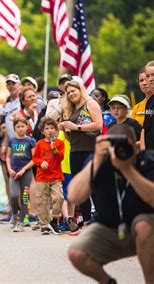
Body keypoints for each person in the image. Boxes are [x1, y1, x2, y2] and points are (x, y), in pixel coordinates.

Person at [67, 124, 154, 283]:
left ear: (135, 148)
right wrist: (96, 160)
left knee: (143, 226)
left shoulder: (147, 160)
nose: (119, 151)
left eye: (125, 146)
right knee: (76, 253)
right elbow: (74, 196)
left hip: (145, 230)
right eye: (114, 146)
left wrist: (127, 170)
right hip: (109, 227)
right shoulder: (100, 161)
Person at [60, 79, 103, 227]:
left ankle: (101, 222)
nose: (71, 94)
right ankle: (86, 222)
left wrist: (76, 127)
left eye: (73, 91)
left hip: (91, 150)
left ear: (80, 90)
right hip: (75, 151)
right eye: (68, 92)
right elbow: (70, 136)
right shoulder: (71, 109)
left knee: (92, 186)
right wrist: (65, 130)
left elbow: (99, 125)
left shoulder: (90, 103)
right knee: (81, 189)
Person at [32, 117, 65, 235]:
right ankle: (44, 224)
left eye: (52, 128)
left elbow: (61, 157)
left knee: (59, 198)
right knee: (42, 201)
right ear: (42, 131)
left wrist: (54, 148)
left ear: (56, 130)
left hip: (56, 176)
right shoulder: (39, 144)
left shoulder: (60, 143)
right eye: (47, 128)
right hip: (42, 177)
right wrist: (41, 162)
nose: (49, 130)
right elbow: (35, 158)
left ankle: (54, 219)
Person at [0, 74, 22, 223]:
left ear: (18, 84)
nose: (10, 86)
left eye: (13, 83)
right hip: (10, 142)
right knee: (9, 177)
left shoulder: (22, 101)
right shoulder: (8, 102)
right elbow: (7, 127)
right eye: (8, 84)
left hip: (22, 142)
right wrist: (4, 145)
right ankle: (13, 209)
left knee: (21, 179)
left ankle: (23, 211)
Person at [6, 117, 35, 232]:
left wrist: (23, 170)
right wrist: (9, 169)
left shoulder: (30, 141)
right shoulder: (12, 141)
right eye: (18, 127)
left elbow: (34, 159)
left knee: (24, 196)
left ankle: (21, 221)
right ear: (14, 128)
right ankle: (14, 214)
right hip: (13, 172)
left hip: (26, 173)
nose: (20, 129)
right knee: (13, 195)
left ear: (27, 127)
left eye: (23, 126)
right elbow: (8, 156)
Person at [140, 61, 154, 150]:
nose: (151, 79)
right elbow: (145, 130)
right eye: (148, 76)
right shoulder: (150, 102)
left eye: (153, 75)